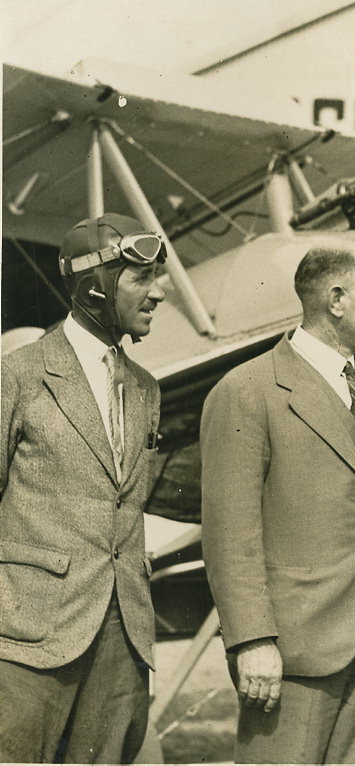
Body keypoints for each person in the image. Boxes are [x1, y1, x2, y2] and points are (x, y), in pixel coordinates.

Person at [200, 244, 355, 764]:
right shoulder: (246, 390)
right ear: (336, 300)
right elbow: (230, 535)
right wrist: (252, 641)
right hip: (289, 654)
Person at [0, 213, 166, 762]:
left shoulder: (146, 388)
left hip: (124, 638)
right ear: (95, 286)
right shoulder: (17, 375)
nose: (158, 292)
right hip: (29, 639)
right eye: (142, 278)